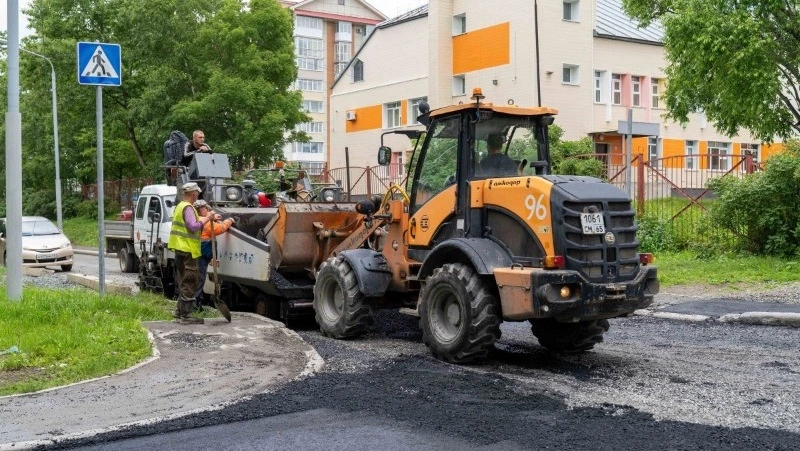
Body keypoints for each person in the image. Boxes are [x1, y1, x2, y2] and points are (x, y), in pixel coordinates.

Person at [167, 182, 215, 324]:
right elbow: (193, 226)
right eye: (197, 193)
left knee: (183, 279)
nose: (198, 195)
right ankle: (186, 316)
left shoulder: (180, 206)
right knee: (190, 280)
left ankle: (179, 311)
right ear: (193, 193)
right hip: (188, 250)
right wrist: (208, 218)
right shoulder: (188, 208)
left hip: (179, 248)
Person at [193, 199, 235, 305]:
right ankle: (195, 303)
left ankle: (196, 301)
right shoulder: (205, 223)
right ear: (202, 209)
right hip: (201, 254)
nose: (208, 210)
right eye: (206, 209)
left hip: (197, 253)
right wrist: (229, 220)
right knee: (200, 278)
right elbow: (220, 229)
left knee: (197, 277)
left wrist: (214, 218)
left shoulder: (196, 218)